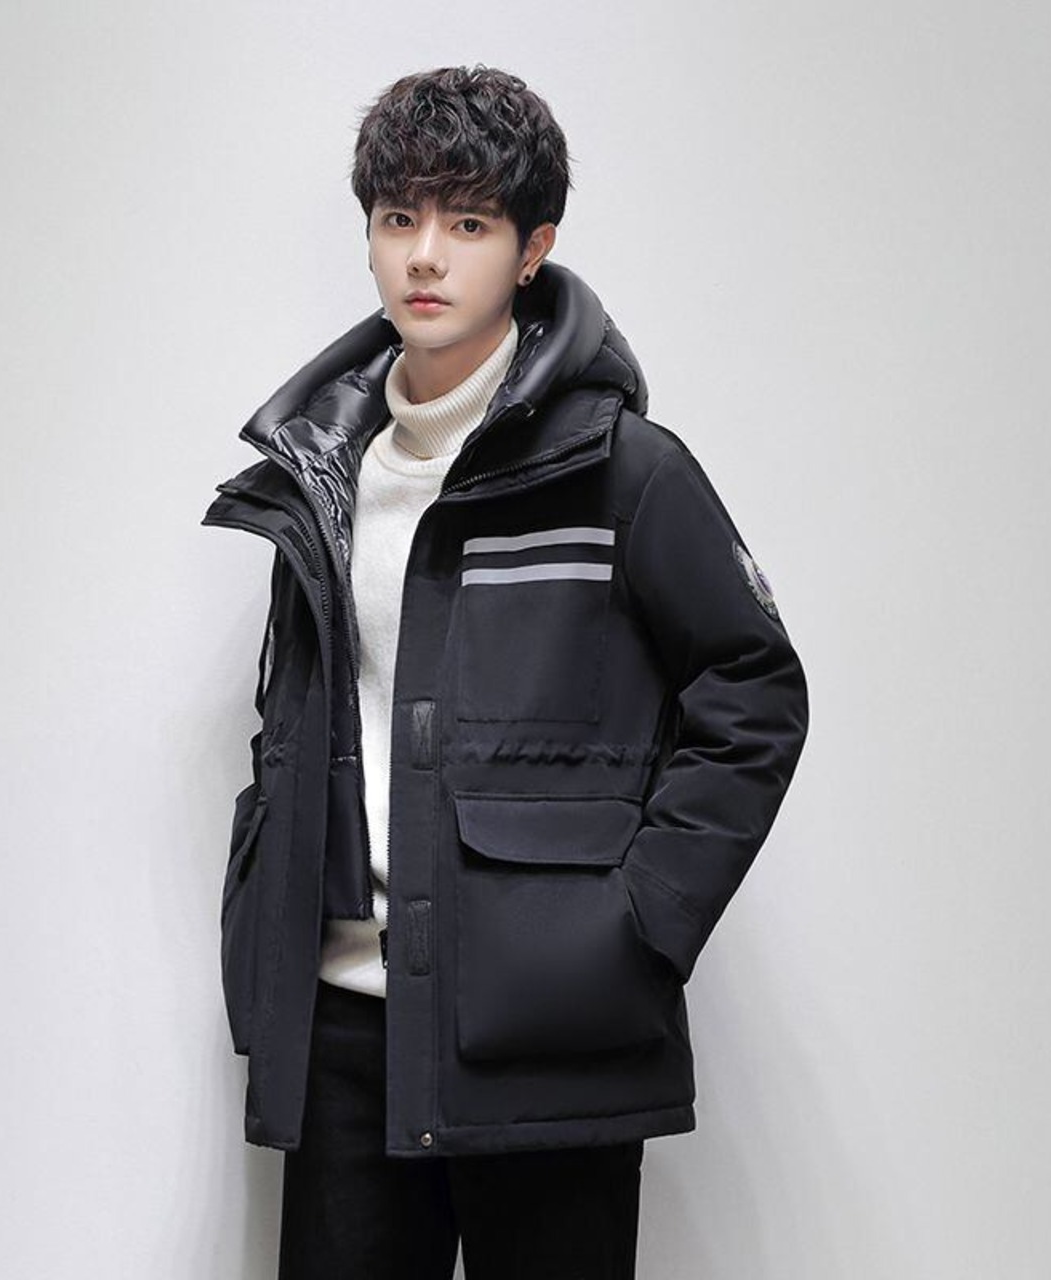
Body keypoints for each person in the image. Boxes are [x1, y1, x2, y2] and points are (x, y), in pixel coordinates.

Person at [203, 64, 809, 1280]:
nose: (425, 255)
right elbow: (302, 718)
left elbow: (751, 688)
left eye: (469, 223)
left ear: (533, 249)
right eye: (398, 218)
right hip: (341, 1029)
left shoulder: (622, 469)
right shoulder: (318, 482)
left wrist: (637, 923)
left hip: (544, 1033)